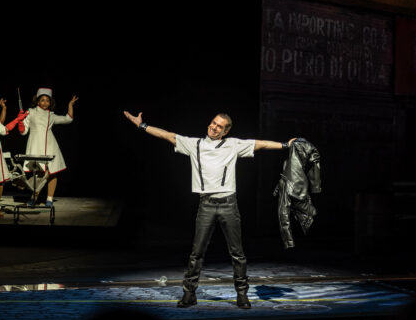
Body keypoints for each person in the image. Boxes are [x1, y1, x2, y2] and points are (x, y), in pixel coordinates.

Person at [123, 110, 295, 309]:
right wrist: (141, 125)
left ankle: (242, 294)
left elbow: (261, 144)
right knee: (197, 253)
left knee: (237, 253)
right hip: (206, 205)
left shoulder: (233, 145)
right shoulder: (194, 144)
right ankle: (189, 294)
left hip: (229, 205)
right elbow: (167, 135)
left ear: (225, 132)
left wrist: (285, 145)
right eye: (213, 123)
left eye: (219, 126)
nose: (214, 127)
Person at [19, 88, 78, 207]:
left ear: (50, 102)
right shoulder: (31, 112)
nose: (45, 103)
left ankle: (49, 199)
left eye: (47, 100)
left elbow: (68, 119)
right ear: (37, 101)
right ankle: (34, 197)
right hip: (36, 145)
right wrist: (21, 122)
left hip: (50, 146)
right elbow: (24, 131)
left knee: (52, 172)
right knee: (39, 174)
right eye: (42, 100)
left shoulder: (51, 115)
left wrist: (70, 105)